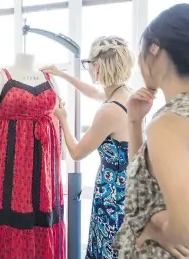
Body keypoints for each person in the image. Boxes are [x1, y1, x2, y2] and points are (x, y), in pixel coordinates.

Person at [41, 35, 133, 259]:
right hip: (128, 188)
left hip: (113, 196)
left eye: (89, 64)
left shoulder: (109, 112)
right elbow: (95, 93)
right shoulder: (126, 94)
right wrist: (62, 74)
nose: (88, 68)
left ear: (99, 67)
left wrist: (62, 118)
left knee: (106, 249)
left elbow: (77, 151)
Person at [114, 4, 189, 259]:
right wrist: (135, 123)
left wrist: (155, 226)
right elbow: (147, 186)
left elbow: (185, 226)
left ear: (154, 48)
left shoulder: (169, 122)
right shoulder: (172, 117)